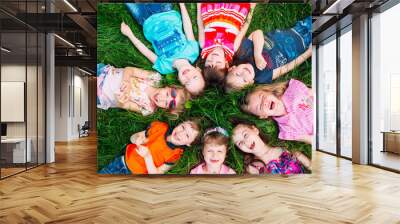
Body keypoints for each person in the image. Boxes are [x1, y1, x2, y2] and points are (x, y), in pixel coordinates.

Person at [121, 3, 205, 95]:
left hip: (144, 19)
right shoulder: (193, 52)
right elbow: (188, 27)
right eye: (195, 77)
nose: (188, 77)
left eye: (187, 82)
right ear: (198, 70)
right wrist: (182, 5)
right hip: (165, 10)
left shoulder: (164, 68)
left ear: (180, 83)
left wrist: (130, 35)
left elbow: (146, 52)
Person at [225, 16, 312, 91]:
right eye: (244, 80)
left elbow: (257, 33)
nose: (244, 74)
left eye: (238, 74)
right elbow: (286, 68)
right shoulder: (262, 77)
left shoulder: (243, 53)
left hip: (294, 31)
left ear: (232, 68)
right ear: (250, 83)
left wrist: (257, 55)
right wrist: (308, 53)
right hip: (302, 45)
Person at [99, 120, 201, 175]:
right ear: (180, 123)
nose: (181, 133)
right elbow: (132, 138)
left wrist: (148, 157)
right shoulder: (160, 128)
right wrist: (138, 139)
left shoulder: (175, 154)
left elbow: (156, 174)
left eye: (187, 135)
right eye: (183, 127)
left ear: (189, 144)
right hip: (121, 162)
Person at [197, 3, 256, 85]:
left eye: (209, 61)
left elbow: (200, 25)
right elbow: (245, 27)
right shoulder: (233, 47)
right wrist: (252, 7)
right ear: (226, 64)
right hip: (235, 11)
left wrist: (198, 6)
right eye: (218, 62)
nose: (214, 58)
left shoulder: (203, 44)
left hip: (213, 9)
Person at [97, 63, 190, 116]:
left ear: (165, 109)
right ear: (168, 87)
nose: (161, 98)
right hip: (104, 74)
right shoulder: (155, 78)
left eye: (165, 103)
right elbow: (130, 70)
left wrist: (122, 102)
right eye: (166, 94)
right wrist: (126, 81)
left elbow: (127, 105)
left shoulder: (148, 109)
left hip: (102, 95)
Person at [241, 79, 313, 144]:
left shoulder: (293, 91)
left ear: (269, 92)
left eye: (262, 97)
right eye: (259, 107)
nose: (264, 103)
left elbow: (316, 93)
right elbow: (311, 139)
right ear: (263, 116)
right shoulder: (286, 130)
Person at [232, 124, 311, 175]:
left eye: (245, 135)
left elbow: (310, 166)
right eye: (240, 143)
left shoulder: (285, 146)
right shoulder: (252, 168)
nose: (245, 142)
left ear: (255, 130)